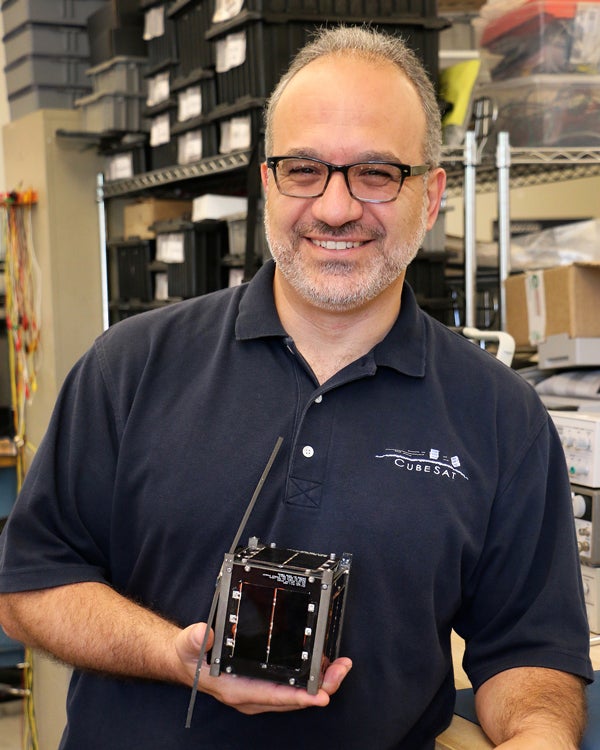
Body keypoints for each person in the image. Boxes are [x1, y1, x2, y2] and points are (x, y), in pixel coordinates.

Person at [0, 24, 593, 750]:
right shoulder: (129, 367)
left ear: (432, 196)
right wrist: (174, 655)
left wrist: (538, 733)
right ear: (267, 183)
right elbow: (29, 587)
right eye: (305, 169)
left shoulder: (501, 415)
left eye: (377, 173)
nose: (336, 208)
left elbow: (531, 649)